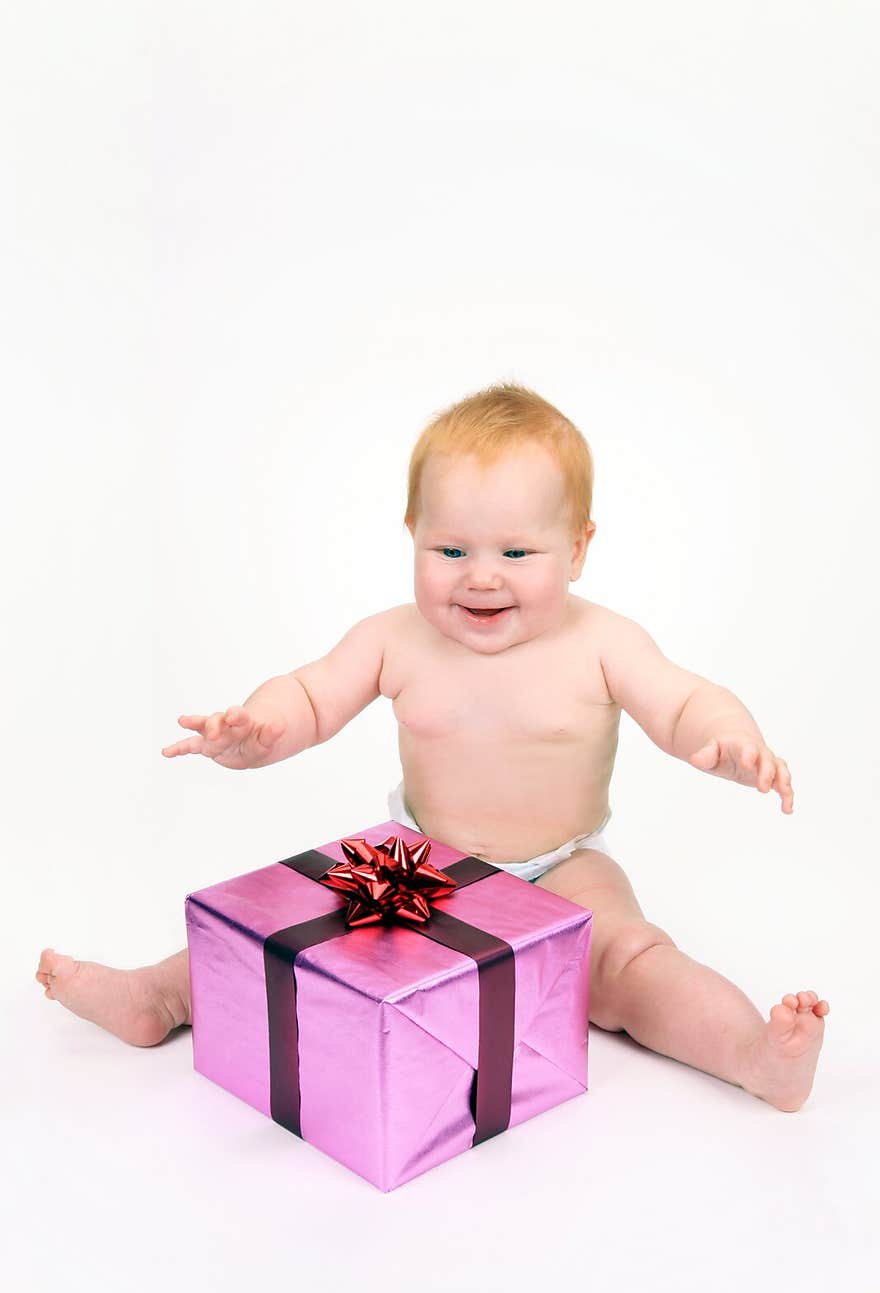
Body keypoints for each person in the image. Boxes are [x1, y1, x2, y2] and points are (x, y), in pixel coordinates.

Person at [36, 382, 829, 1111]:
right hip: (426, 862)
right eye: (451, 551)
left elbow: (683, 699)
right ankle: (160, 997)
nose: (481, 577)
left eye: (518, 553)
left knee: (629, 963)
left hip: (563, 865)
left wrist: (728, 737)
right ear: (413, 534)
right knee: (304, 922)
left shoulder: (602, 642)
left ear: (579, 548)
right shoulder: (394, 638)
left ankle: (753, 1055)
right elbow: (312, 694)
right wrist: (257, 729)